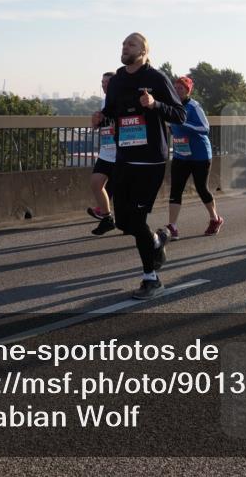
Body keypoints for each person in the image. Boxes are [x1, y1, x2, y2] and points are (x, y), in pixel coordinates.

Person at [95, 33, 186, 300]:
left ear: (144, 51)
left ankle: (151, 279)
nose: (125, 48)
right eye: (123, 44)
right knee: (123, 220)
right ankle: (156, 241)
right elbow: (112, 112)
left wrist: (155, 104)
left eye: (131, 44)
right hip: (124, 157)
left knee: (136, 218)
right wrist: (101, 118)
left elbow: (179, 113)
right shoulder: (118, 81)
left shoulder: (157, 78)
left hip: (151, 159)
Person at [165, 76, 224, 239]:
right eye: (175, 88)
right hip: (180, 154)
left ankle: (215, 218)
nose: (177, 91)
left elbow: (205, 128)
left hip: (200, 154)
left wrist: (183, 124)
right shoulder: (171, 106)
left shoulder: (193, 106)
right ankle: (172, 227)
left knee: (201, 188)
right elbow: (172, 127)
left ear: (188, 90)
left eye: (181, 88)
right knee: (176, 189)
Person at [89, 71, 119, 236]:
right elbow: (97, 126)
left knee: (120, 191)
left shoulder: (121, 100)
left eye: (107, 82)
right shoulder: (103, 102)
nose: (104, 85)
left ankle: (127, 221)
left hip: (120, 152)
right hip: (106, 151)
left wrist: (119, 128)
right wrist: (95, 121)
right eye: (102, 82)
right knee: (95, 183)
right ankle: (107, 217)